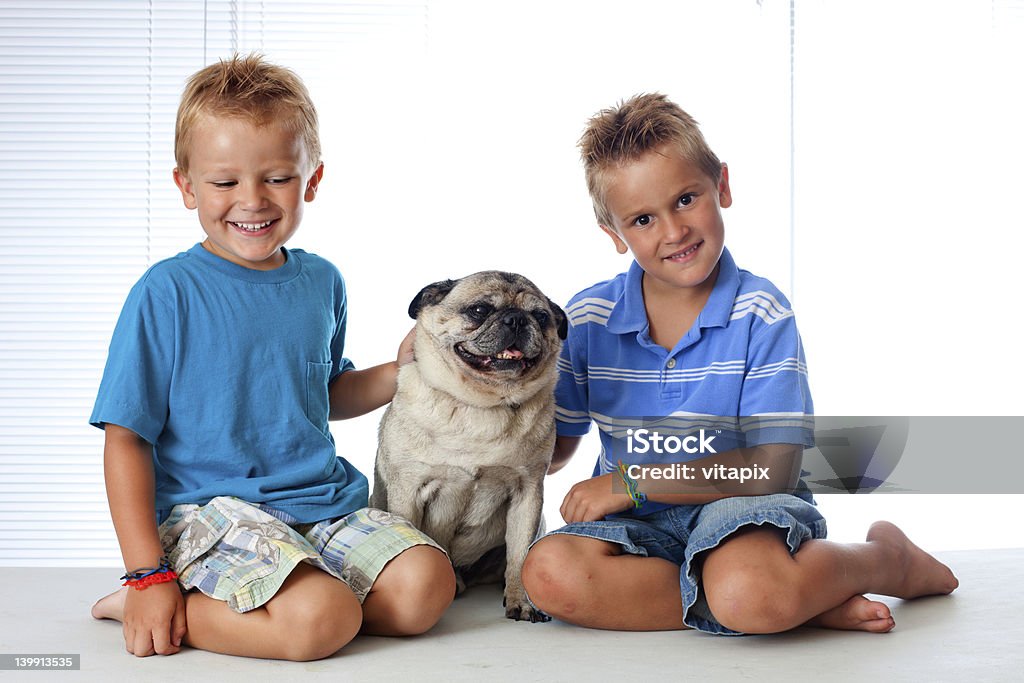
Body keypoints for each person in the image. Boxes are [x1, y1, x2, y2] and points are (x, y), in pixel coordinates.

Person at [520, 93, 958, 635]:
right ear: (615, 234)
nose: (673, 231)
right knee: (549, 573)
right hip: (637, 527)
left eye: (685, 199)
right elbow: (551, 450)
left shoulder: (760, 312)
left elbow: (773, 468)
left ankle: (883, 559)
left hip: (742, 508)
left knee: (747, 585)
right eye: (642, 219)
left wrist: (633, 483)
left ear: (721, 186)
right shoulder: (587, 317)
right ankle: (795, 600)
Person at [89, 54, 455, 660]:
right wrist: (145, 573)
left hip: (319, 503)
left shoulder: (322, 283)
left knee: (425, 589)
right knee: (322, 619)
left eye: (277, 178)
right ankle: (164, 602)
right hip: (213, 511)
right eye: (225, 182)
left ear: (311, 179)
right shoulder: (167, 292)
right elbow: (126, 439)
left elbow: (325, 393)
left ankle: (293, 598)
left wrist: (401, 371)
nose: (253, 201)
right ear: (186, 186)